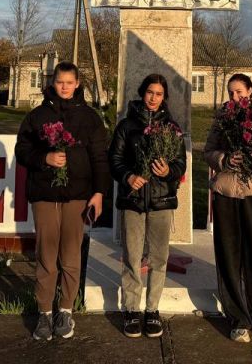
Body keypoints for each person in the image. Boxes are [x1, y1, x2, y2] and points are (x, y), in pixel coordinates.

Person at [15, 62, 110, 341]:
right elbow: (22, 150)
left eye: (70, 82)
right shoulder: (37, 116)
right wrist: (44, 159)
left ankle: (65, 310)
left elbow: (100, 159)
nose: (65, 86)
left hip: (77, 196)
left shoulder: (90, 118)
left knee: (70, 255)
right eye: (60, 82)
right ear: (52, 82)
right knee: (46, 255)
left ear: (78, 83)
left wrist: (99, 192)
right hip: (44, 194)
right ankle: (44, 312)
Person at [108, 73, 187, 338]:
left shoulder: (172, 128)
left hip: (161, 201)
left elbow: (180, 164)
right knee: (131, 256)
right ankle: (132, 309)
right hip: (133, 200)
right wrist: (128, 176)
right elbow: (115, 159)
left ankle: (152, 309)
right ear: (143, 93)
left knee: (158, 258)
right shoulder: (126, 126)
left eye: (159, 94)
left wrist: (167, 171)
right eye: (150, 92)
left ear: (165, 98)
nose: (153, 98)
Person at [203, 73, 252, 343]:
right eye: (231, 93)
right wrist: (224, 158)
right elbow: (208, 151)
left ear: (250, 90)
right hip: (225, 192)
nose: (236, 97)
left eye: (240, 92)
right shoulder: (223, 117)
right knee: (229, 255)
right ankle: (238, 318)